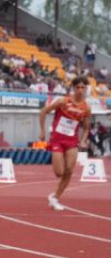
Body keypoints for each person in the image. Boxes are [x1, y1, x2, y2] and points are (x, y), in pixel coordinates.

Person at [39, 76, 91, 211]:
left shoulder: (86, 107)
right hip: (57, 139)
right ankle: (55, 196)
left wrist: (84, 139)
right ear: (73, 88)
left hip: (72, 141)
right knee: (59, 173)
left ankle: (55, 197)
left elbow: (86, 127)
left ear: (86, 89)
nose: (80, 90)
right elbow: (43, 112)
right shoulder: (63, 101)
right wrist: (42, 131)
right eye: (78, 87)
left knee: (69, 170)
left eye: (83, 87)